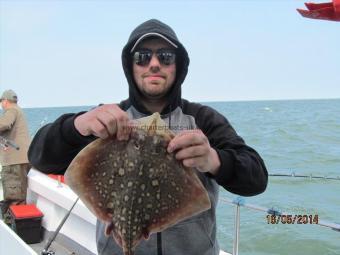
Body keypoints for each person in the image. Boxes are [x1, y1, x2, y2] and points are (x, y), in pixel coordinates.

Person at [28, 19, 268, 255]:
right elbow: (40, 158)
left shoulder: (202, 120)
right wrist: (76, 126)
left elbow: (256, 178)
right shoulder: (106, 121)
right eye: (142, 57)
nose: (154, 64)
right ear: (130, 66)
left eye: (165, 57)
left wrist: (214, 160)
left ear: (178, 65)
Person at [0, 89, 31, 219]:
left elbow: (5, 124)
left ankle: (11, 226)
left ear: (5, 101)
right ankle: (19, 221)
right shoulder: (18, 110)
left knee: (13, 196)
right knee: (19, 193)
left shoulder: (11, 110)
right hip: (22, 158)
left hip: (14, 161)